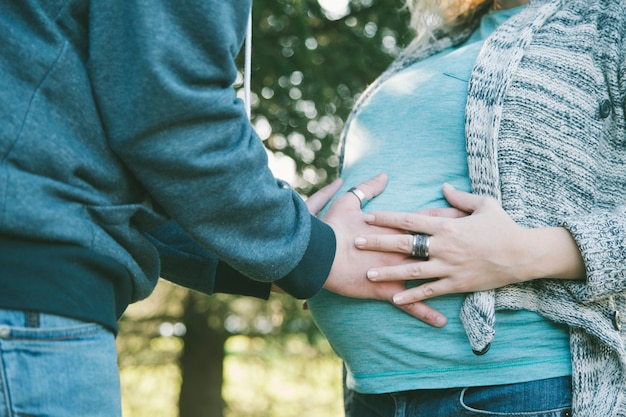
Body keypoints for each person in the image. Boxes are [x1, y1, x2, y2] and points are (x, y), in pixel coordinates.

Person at [0, 1, 439, 416]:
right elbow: (171, 104)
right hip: (28, 303)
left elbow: (111, 136)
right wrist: (314, 252)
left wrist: (278, 254)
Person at [306, 0, 626, 416]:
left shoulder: (611, 19)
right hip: (374, 390)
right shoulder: (436, 43)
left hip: (519, 389)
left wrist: (526, 253)